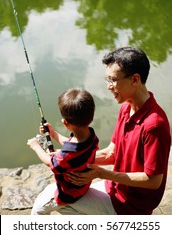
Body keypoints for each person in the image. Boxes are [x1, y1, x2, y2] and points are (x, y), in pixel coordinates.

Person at [52, 46, 171, 215]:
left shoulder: (154, 125)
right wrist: (64, 156)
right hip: (115, 189)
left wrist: (102, 173)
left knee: (55, 204)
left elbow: (153, 181)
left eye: (113, 80)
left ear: (135, 80)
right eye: (107, 80)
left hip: (131, 205)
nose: (109, 86)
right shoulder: (126, 108)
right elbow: (111, 154)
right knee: (52, 194)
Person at [27, 88, 99, 215]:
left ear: (65, 123)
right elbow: (72, 145)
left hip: (68, 195)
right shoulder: (92, 137)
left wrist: (36, 146)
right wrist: (53, 134)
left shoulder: (66, 156)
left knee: (37, 211)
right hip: (83, 187)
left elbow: (50, 163)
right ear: (91, 117)